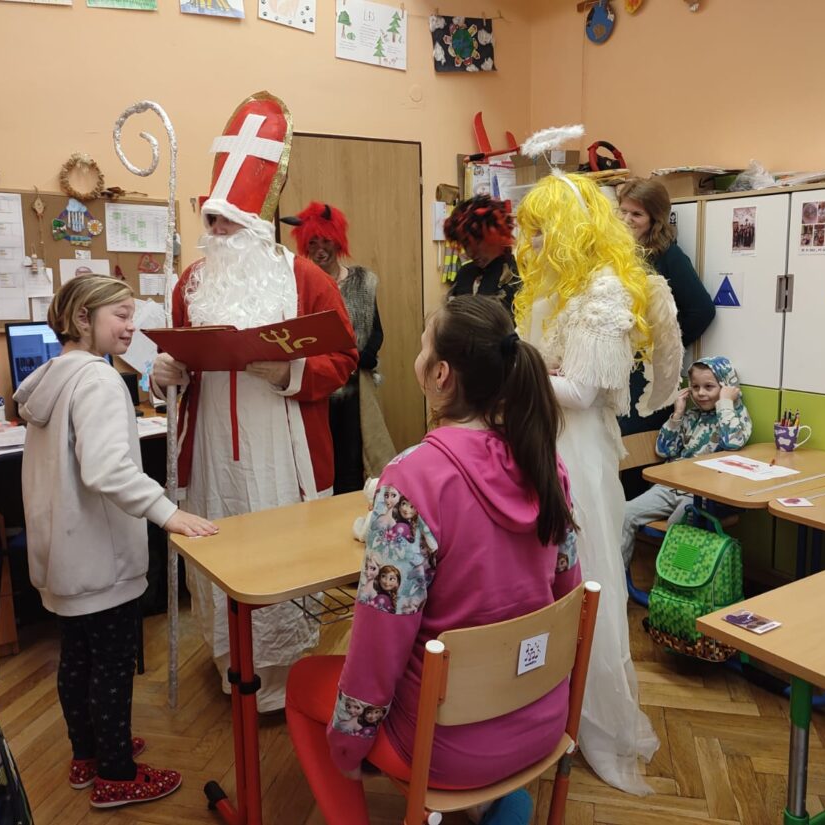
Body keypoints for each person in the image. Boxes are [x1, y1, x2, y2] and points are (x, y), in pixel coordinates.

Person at [284, 297, 581, 825]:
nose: (418, 358)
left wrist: (350, 747)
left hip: (445, 749)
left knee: (305, 680)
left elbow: (380, 641)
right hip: (541, 721)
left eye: (423, 348)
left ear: (441, 374)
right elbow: (566, 601)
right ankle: (501, 803)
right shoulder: (544, 461)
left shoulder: (413, 480)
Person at [151, 93, 358, 712]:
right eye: (210, 221)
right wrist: (164, 375)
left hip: (282, 453)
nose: (215, 234)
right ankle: (231, 665)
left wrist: (291, 371)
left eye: (227, 224)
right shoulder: (191, 282)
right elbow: (177, 359)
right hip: (212, 453)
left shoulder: (306, 280)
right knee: (221, 552)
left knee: (283, 558)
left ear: (256, 225)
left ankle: (286, 678)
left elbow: (344, 358)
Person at [15, 275, 219, 809]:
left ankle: (89, 753)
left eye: (133, 316)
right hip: (98, 559)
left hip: (63, 557)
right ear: (83, 319)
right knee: (110, 664)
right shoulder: (100, 381)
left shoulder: (52, 377)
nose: (132, 328)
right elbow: (107, 469)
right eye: (121, 316)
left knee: (77, 660)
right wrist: (168, 513)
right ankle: (117, 774)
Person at [514, 171, 683, 795]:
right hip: (534, 441)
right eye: (529, 230)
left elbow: (582, 392)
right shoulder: (551, 286)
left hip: (575, 453)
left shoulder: (605, 290)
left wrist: (508, 372)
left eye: (540, 230)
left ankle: (594, 718)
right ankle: (538, 709)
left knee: (583, 577)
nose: (530, 242)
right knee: (537, 582)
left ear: (567, 230)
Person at [282, 201, 396, 493]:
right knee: (319, 459)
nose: (320, 249)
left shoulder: (362, 282)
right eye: (312, 243)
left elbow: (376, 331)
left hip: (354, 389)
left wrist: (359, 358)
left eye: (326, 241)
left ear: (338, 242)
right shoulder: (297, 286)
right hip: (316, 387)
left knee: (354, 458)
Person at [619, 356, 752, 567]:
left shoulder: (737, 416)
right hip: (672, 487)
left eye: (709, 387)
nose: (700, 393)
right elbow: (664, 450)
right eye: (695, 387)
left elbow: (733, 442)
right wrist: (678, 414)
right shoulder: (690, 416)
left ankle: (676, 578)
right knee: (625, 514)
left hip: (707, 495)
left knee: (678, 523)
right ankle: (618, 577)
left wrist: (726, 403)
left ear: (727, 386)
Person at [616, 177, 715, 442]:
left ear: (655, 219)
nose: (626, 219)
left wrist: (664, 344)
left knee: (634, 446)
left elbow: (702, 310)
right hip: (618, 367)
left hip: (647, 376)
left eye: (636, 214)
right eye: (623, 211)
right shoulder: (616, 252)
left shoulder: (668, 255)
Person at [444, 195, 520, 317]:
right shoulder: (465, 273)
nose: (470, 253)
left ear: (495, 236)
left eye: (478, 243)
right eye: (465, 244)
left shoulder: (517, 275)